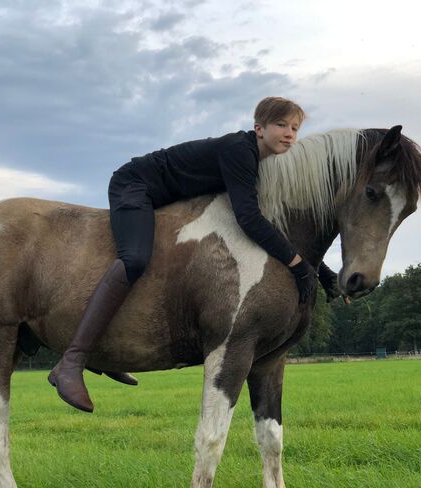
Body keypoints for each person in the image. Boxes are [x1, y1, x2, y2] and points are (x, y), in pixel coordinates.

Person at [48, 96, 340, 412]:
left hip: (165, 198)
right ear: (259, 128)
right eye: (281, 125)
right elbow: (250, 219)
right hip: (135, 185)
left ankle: (101, 352)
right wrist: (298, 266)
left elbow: (270, 221)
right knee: (135, 259)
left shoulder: (257, 162)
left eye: (295, 128)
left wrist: (321, 272)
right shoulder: (239, 151)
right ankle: (72, 361)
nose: (289, 134)